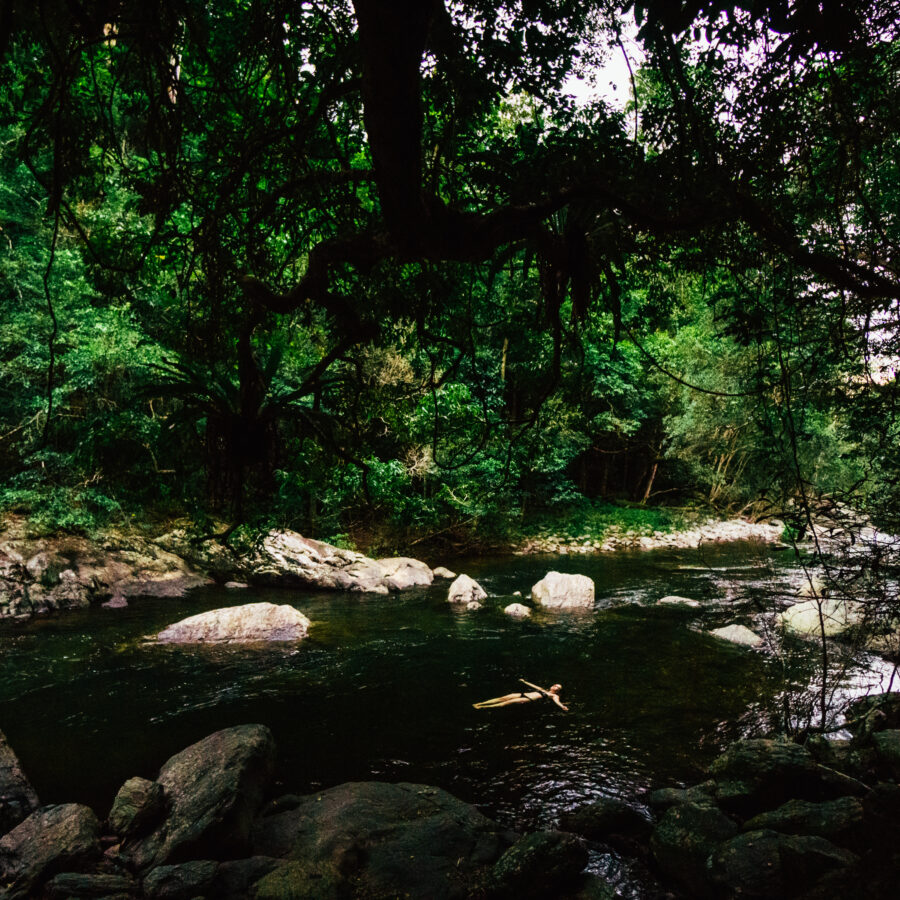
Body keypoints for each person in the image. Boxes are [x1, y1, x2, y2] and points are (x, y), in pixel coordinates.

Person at [473, 680, 569, 711]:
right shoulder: (544, 690)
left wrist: (562, 706)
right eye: (555, 685)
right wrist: (524, 681)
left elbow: (557, 702)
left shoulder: (554, 696)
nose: (555, 686)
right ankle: (481, 703)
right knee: (501, 698)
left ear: (558, 691)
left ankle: (482, 707)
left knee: (506, 703)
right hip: (522, 694)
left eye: (558, 687)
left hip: (527, 699)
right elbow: (533, 685)